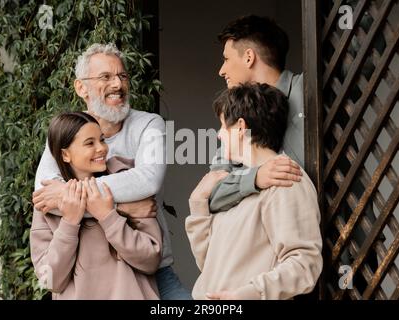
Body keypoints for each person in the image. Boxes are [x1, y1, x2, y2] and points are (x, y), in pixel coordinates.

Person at [31, 43, 192, 299]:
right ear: (81, 87)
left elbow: (147, 180)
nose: (118, 84)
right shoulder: (65, 134)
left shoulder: (148, 124)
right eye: (106, 77)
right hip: (84, 282)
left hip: (148, 274)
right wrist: (122, 208)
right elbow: (44, 195)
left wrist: (75, 197)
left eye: (122, 76)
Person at [186, 83, 323, 300]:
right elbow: (209, 263)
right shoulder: (238, 183)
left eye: (222, 126)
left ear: (241, 127)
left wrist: (248, 294)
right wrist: (197, 203)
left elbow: (304, 264)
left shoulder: (286, 180)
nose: (219, 135)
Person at [30, 112, 162, 299]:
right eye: (90, 143)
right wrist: (69, 223)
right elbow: (50, 280)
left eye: (102, 140)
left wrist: (109, 216)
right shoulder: (48, 204)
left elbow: (150, 260)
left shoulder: (127, 184)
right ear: (65, 154)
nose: (102, 148)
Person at [208, 15, 304, 214]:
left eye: (226, 59)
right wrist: (255, 178)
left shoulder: (308, 89)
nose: (221, 70)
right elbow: (213, 193)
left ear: (249, 57)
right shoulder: (235, 121)